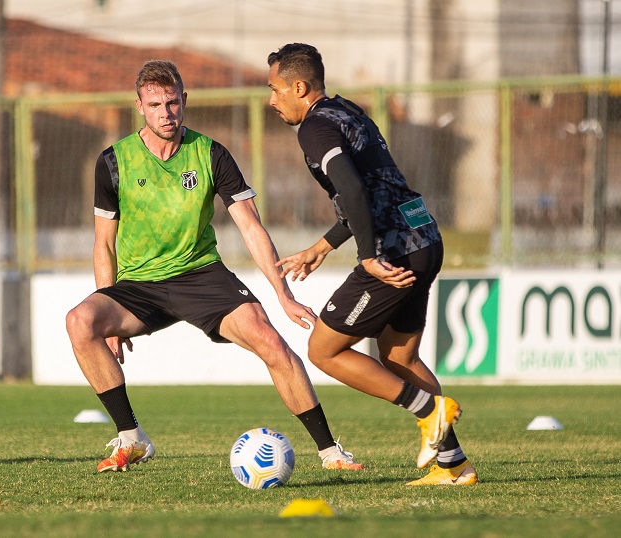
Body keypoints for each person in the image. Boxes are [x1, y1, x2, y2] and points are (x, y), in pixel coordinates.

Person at [66, 59, 364, 473]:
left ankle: (331, 454)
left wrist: (284, 295)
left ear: (184, 101)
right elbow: (104, 243)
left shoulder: (210, 153)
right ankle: (131, 437)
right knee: (80, 321)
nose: (165, 114)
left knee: (273, 344)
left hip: (201, 275)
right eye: (155, 105)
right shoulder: (113, 161)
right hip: (139, 284)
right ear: (139, 106)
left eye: (172, 103)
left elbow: (251, 227)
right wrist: (108, 311)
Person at [266, 43, 478, 486]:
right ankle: (454, 467)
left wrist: (366, 256)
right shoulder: (348, 111)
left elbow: (354, 193)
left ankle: (431, 411)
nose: (272, 100)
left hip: (393, 250)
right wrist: (323, 245)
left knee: (324, 350)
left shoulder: (313, 129)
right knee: (399, 356)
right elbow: (372, 188)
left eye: (276, 89)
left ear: (299, 87)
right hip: (424, 237)